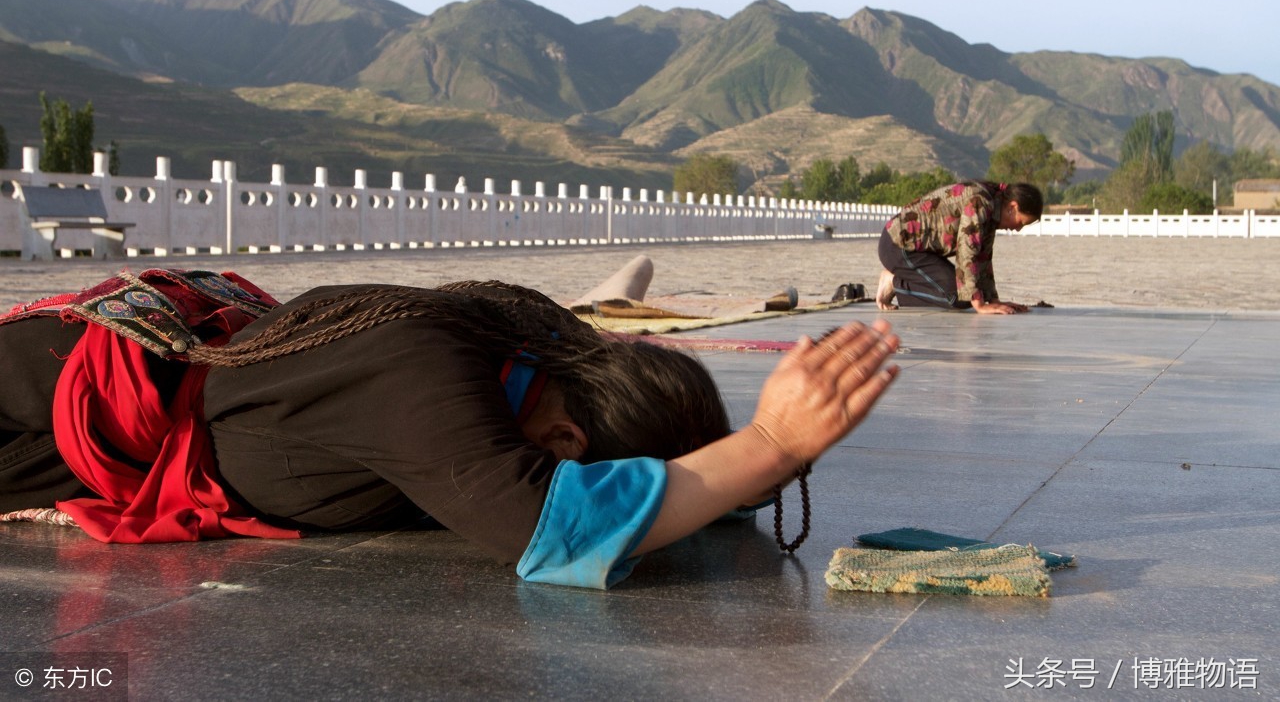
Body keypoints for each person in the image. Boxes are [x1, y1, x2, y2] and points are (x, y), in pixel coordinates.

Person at [0, 267, 899, 589]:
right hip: (24, 403)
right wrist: (771, 444)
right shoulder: (431, 386)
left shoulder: (526, 353)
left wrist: (756, 470)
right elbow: (549, 530)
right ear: (569, 446)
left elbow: (684, 488)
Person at [875, 180, 1042, 314]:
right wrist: (980, 305)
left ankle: (901, 279)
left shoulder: (993, 205)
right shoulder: (981, 202)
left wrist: (993, 300)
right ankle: (895, 282)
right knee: (959, 297)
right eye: (1020, 223)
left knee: (969, 293)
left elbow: (983, 255)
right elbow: (967, 251)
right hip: (898, 246)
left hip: (922, 252)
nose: (1018, 229)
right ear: (1013, 207)